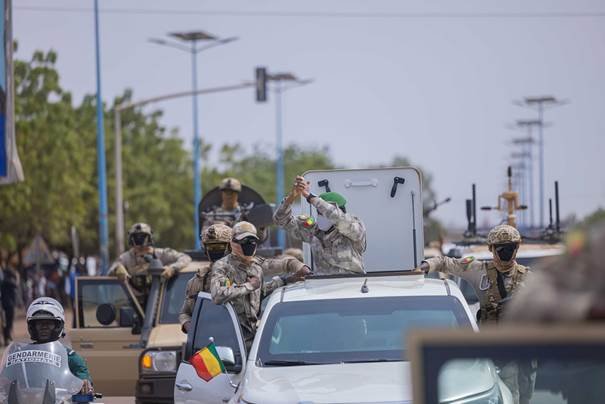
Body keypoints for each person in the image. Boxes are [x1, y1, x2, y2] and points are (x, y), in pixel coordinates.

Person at [421, 224, 534, 404]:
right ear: (491, 248)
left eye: (510, 248)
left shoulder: (528, 277)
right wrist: (427, 265)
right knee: (507, 395)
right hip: (493, 347)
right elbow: (447, 263)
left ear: (517, 248)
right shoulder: (479, 270)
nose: (506, 253)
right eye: (501, 249)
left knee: (525, 395)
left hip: (522, 347)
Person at [210, 221, 311, 349]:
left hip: (253, 337)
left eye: (252, 241)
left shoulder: (256, 266)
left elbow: (262, 289)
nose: (250, 245)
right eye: (245, 241)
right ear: (233, 243)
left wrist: (290, 276)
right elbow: (218, 295)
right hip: (231, 339)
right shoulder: (222, 266)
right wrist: (248, 286)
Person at [273, 175, 367, 275]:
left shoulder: (354, 227)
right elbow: (281, 221)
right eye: (319, 212)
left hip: (351, 282)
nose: (321, 216)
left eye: (324, 212)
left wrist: (310, 197)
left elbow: (337, 217)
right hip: (321, 283)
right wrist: (290, 198)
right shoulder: (314, 231)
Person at [109, 223, 191, 302]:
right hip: (135, 303)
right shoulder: (126, 257)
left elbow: (185, 257)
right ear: (131, 239)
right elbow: (110, 271)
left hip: (159, 303)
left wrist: (172, 268)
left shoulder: (161, 254)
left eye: (142, 236)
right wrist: (117, 269)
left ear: (149, 238)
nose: (139, 240)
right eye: (136, 237)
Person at [26, 297, 93, 394]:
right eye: (39, 324)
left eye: (49, 323)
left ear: (58, 325)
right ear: (32, 326)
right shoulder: (21, 355)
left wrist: (83, 382)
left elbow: (83, 376)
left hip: (61, 400)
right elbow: (7, 377)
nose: (44, 327)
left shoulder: (70, 357)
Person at [1, 253, 19, 345]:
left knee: (7, 321)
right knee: (7, 321)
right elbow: (16, 284)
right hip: (7, 304)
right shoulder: (8, 281)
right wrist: (17, 276)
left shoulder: (6, 280)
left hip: (8, 303)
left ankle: (7, 337)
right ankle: (7, 337)